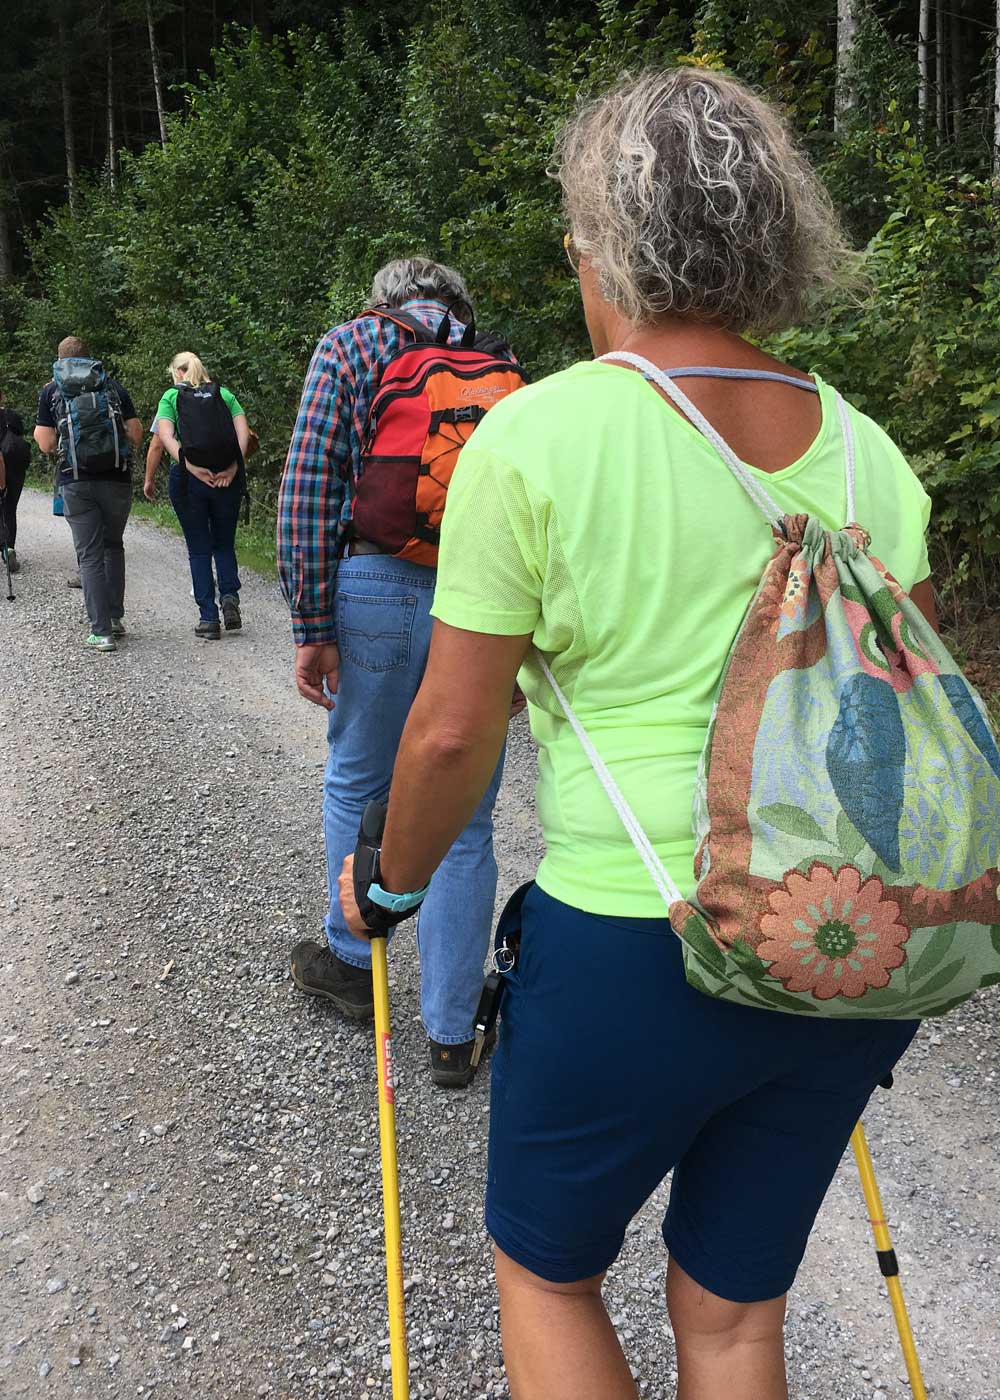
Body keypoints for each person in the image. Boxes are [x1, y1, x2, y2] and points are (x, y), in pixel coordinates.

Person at [337, 69, 936, 1399]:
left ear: (603, 245)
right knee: (732, 1317)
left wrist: (389, 885)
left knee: (550, 1276)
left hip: (637, 941)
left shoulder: (536, 438)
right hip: (842, 949)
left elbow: (449, 736)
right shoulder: (872, 456)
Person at [278, 256, 521, 1088]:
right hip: (481, 597)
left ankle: (353, 964)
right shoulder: (499, 361)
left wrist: (313, 624)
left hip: (374, 587)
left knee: (359, 778)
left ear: (382, 302)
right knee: (467, 816)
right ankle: (452, 1032)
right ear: (459, 304)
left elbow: (310, 487)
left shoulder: (351, 347)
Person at [34, 336, 142, 651]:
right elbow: (136, 435)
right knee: (113, 546)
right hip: (117, 479)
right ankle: (115, 618)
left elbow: (45, 442)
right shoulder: (113, 387)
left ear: (60, 360)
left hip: (76, 480)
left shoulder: (52, 390)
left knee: (90, 555)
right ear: (88, 358)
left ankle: (101, 632)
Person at [151, 353, 250, 640]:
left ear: (177, 373)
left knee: (198, 548)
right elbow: (243, 433)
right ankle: (229, 598)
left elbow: (166, 436)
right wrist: (233, 467)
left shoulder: (171, 396)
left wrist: (191, 467)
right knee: (224, 543)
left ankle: (208, 618)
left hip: (188, 480)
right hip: (225, 478)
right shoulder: (224, 394)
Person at [0, 391, 30, 574]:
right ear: (2, 397)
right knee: (10, 508)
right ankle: (9, 549)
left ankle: (5, 546)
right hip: (15, 466)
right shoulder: (12, 416)